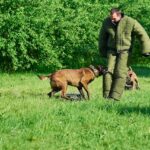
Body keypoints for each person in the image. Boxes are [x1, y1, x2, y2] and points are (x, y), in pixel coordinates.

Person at [99, 8, 150, 101]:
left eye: (114, 18)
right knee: (107, 72)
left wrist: (146, 50)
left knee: (120, 73)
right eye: (111, 18)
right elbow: (102, 37)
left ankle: (114, 97)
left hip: (125, 52)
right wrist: (102, 51)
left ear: (120, 15)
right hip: (111, 51)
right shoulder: (107, 22)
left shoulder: (131, 22)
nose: (112, 20)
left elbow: (143, 34)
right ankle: (106, 97)